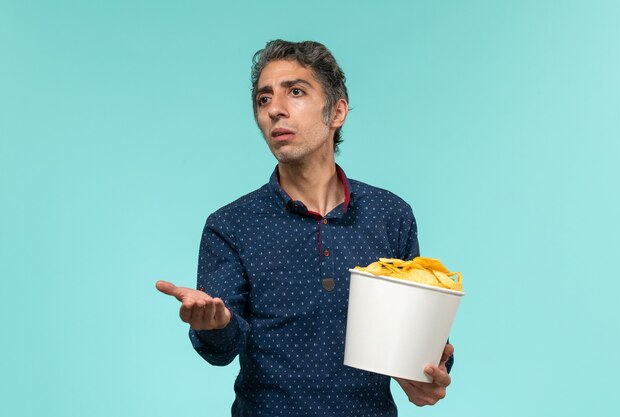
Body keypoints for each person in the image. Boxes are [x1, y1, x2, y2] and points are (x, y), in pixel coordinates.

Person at [156, 39, 454, 417]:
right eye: (264, 99)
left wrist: (429, 374)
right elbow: (220, 349)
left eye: (295, 92)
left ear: (337, 111)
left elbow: (416, 341)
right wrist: (213, 325)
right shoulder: (230, 225)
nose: (275, 110)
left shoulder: (389, 214)